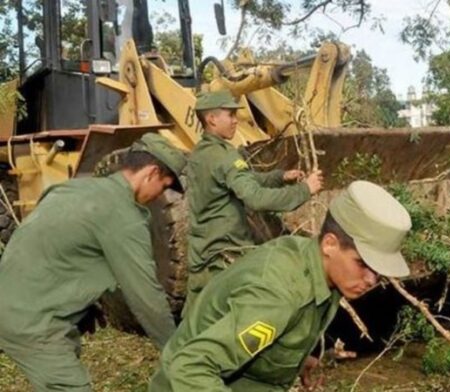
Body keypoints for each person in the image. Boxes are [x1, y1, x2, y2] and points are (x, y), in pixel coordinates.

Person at [149, 180, 411, 391]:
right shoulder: (278, 293)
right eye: (362, 264)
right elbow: (190, 367)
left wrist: (295, 361)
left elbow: (277, 328)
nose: (371, 281)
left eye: (377, 272)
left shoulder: (318, 265)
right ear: (330, 243)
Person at [0, 133, 187, 391]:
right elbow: (147, 298)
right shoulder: (124, 217)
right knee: (71, 386)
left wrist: (85, 300)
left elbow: (57, 245)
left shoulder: (74, 187)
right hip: (32, 323)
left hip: (12, 301)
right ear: (151, 173)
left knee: (66, 353)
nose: (160, 195)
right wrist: (179, 354)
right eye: (165, 186)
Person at [183, 90, 323, 313]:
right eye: (229, 115)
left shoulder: (200, 153)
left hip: (203, 253)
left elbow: (241, 180)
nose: (235, 120)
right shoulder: (225, 156)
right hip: (225, 255)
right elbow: (255, 198)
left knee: (196, 319)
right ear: (211, 119)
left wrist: (279, 177)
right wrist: (304, 190)